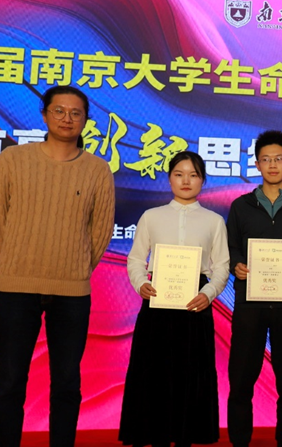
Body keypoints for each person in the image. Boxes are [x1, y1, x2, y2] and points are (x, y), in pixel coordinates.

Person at [0, 85, 115, 447]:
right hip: (15, 290)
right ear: (44, 115)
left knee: (67, 384)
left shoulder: (97, 170)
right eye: (59, 111)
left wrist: (74, 269)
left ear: (85, 121)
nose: (67, 119)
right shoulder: (12, 159)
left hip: (72, 293)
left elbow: (100, 231)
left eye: (76, 113)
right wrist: (19, 262)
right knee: (9, 382)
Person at [118, 151, 229, 447]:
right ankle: (152, 435)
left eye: (193, 175)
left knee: (191, 372)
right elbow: (136, 259)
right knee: (153, 370)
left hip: (196, 303)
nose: (186, 181)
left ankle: (185, 438)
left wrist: (208, 294)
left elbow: (221, 267)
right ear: (169, 179)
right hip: (157, 300)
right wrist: (141, 283)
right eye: (179, 174)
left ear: (203, 180)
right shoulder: (151, 216)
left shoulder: (214, 221)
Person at [226, 130, 282, 447]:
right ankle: (240, 441)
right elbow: (231, 247)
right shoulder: (241, 206)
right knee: (241, 381)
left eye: (279, 158)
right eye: (266, 159)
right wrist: (236, 264)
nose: (273, 165)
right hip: (249, 304)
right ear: (257, 164)